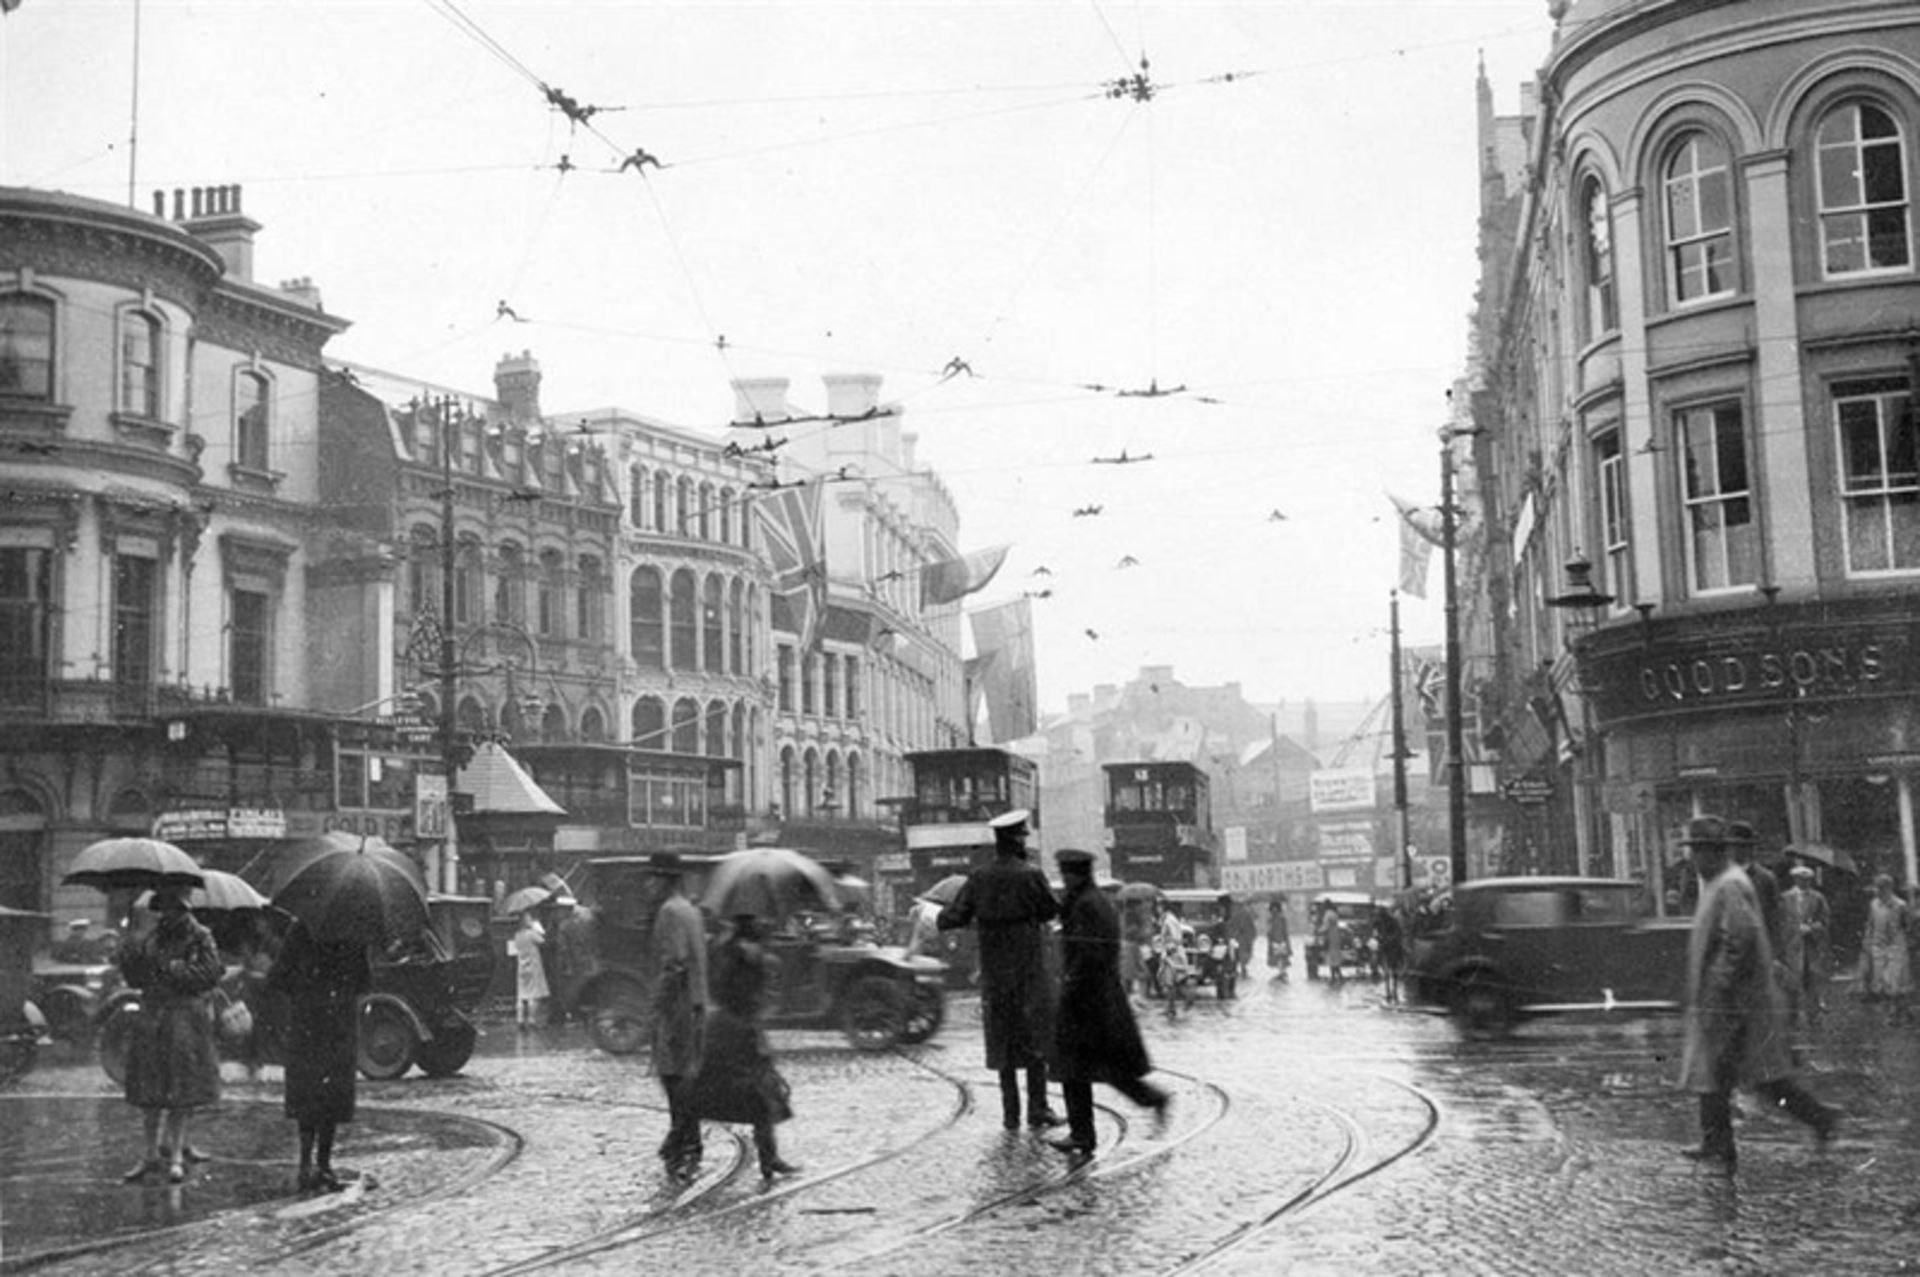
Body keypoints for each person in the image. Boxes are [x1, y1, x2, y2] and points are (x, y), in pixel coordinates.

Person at [1676, 815, 1839, 1172]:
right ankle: (1720, 1141)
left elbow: (1739, 938)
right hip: (1734, 999)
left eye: (1696, 852)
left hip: (1737, 1002)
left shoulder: (1730, 885)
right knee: (1737, 1073)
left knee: (1739, 1073)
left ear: (1710, 853)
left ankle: (1815, 1118)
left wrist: (1718, 990)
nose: (1692, 860)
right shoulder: (1721, 882)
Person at [937, 809, 1065, 1131]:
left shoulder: (979, 878)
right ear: (1016, 840)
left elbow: (954, 917)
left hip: (995, 975)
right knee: (1034, 1039)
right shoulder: (1031, 874)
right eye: (1023, 836)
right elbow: (1050, 910)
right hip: (1029, 971)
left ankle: (1011, 1114)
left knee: (1004, 1041)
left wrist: (937, 916)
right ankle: (1038, 1109)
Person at [1048, 849, 1169, 1158]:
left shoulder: (1087, 904)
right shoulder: (1090, 901)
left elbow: (1089, 952)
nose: (1065, 880)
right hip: (1098, 998)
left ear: (1075, 874)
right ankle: (1150, 1100)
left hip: (1087, 999)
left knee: (1075, 1068)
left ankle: (1083, 1134)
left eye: (1066, 874)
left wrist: (1071, 985)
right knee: (1104, 1067)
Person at [116, 884, 224, 1184]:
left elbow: (211, 973)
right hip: (153, 1017)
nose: (168, 915)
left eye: (174, 908)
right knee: (149, 1091)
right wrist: (130, 951)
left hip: (184, 1017)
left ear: (185, 909)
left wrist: (173, 970)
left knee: (182, 1090)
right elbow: (136, 978)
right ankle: (150, 1154)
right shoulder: (150, 936)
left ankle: (176, 1154)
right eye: (163, 909)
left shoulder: (201, 936)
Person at [265, 919, 372, 1192]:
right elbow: (364, 982)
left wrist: (305, 988)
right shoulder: (353, 933)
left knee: (307, 1092)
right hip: (338, 1024)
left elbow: (277, 977)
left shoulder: (299, 929)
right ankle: (324, 1165)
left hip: (307, 1023)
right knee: (332, 1095)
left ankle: (304, 1164)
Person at [692, 913, 800, 1180]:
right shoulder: (734, 959)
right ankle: (767, 1158)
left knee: (761, 1096)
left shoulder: (732, 954)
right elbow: (735, 994)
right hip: (735, 1031)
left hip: (736, 1029)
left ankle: (769, 1157)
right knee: (755, 1095)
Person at [647, 852, 709, 1178]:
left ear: (665, 880)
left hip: (678, 1004)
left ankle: (680, 1138)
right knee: (686, 1072)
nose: (648, 885)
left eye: (653, 878)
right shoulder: (692, 910)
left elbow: (675, 963)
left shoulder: (670, 911)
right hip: (697, 1002)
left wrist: (657, 1005)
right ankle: (691, 1140)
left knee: (673, 1073)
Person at [1778, 865, 1831, 1028]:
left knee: (1812, 981)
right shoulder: (1785, 898)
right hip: (1792, 945)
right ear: (1795, 880)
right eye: (1801, 879)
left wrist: (1813, 927)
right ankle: (1791, 1017)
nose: (1805, 883)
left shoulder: (1818, 898)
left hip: (1811, 946)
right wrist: (1790, 932)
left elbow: (1825, 920)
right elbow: (1779, 921)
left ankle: (1813, 1016)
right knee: (1791, 982)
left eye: (1807, 880)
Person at [1862, 872, 1913, 1025]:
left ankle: (1894, 1013)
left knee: (1894, 980)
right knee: (1881, 981)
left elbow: (1909, 926)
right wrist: (1868, 941)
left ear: (1889, 888)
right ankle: (1900, 1010)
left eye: (1881, 888)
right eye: (1877, 888)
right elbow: (1870, 924)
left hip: (1896, 946)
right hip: (1878, 946)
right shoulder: (1874, 904)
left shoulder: (1900, 905)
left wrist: (1905, 941)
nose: (1878, 891)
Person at [553, 897, 597, 1026]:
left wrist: (563, 966)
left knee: (571, 991)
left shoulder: (564, 926)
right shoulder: (587, 922)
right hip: (589, 962)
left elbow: (563, 949)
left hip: (572, 965)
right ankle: (589, 1017)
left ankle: (574, 1017)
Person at [510, 911, 549, 1029]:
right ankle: (532, 1020)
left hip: (521, 967)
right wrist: (538, 929)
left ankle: (520, 1019)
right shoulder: (531, 934)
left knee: (521, 994)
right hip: (533, 966)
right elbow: (543, 941)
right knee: (533, 994)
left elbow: (514, 950)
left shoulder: (517, 935)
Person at [1372, 904, 1405, 1004]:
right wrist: (1379, 937)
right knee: (1384, 967)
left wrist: (1390, 939)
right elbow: (1375, 932)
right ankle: (1388, 991)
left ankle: (1393, 990)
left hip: (1393, 946)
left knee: (1394, 970)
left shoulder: (1393, 920)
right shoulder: (1377, 921)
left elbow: (1398, 933)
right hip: (1384, 946)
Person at [1223, 894, 1256, 981]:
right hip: (1241, 938)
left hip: (1241, 938)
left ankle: (1239, 968)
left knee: (1238, 954)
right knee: (1239, 954)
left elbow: (1231, 926)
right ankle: (1241, 968)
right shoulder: (1241, 914)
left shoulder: (1242, 914)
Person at [1266, 895, 1291, 980]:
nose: (1274, 911)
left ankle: (1282, 972)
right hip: (1279, 940)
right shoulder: (1279, 919)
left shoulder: (1276, 919)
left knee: (1280, 957)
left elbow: (1272, 931)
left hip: (1278, 940)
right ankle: (1282, 972)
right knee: (1280, 957)